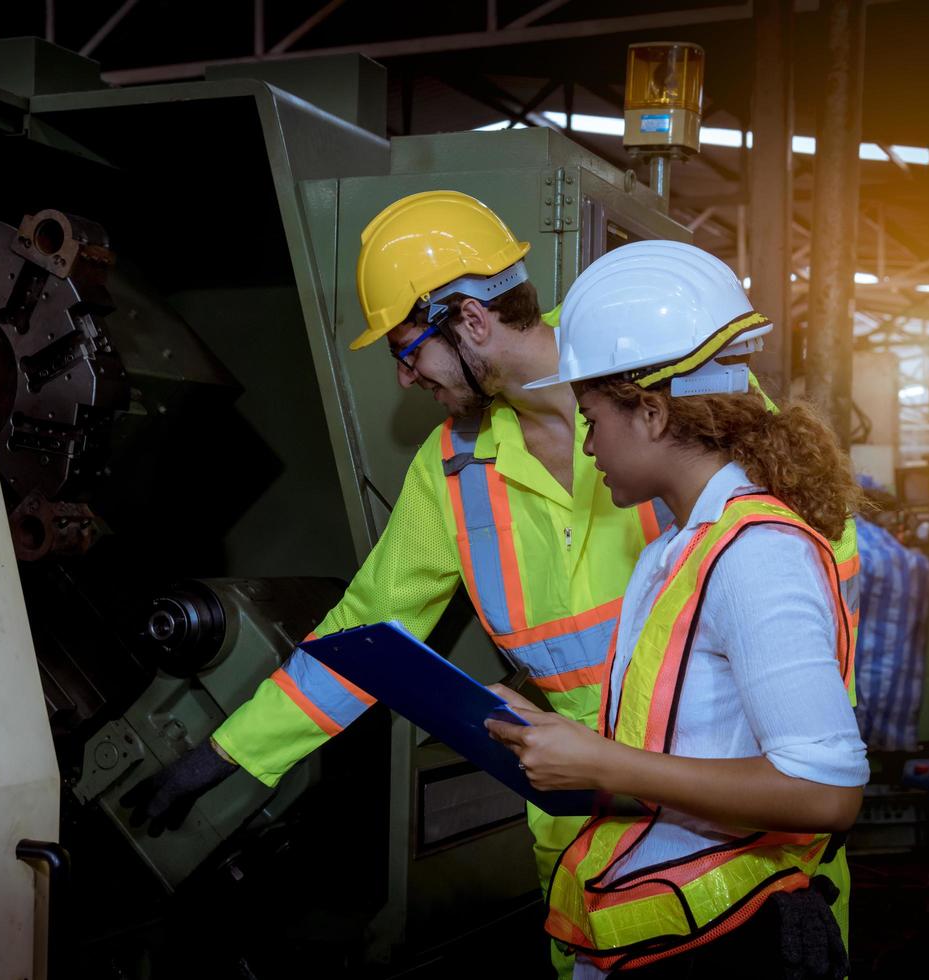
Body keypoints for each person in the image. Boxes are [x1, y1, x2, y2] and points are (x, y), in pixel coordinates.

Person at [121, 190, 666, 979]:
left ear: (472, 321)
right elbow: (367, 631)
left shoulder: (672, 405)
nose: (408, 378)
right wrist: (229, 753)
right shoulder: (453, 470)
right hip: (584, 825)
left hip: (714, 801)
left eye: (410, 350)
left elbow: (804, 581)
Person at [486, 240, 868, 979]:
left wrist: (602, 760)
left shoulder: (754, 550)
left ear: (653, 413)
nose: (587, 445)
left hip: (735, 942)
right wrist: (566, 741)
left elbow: (826, 793)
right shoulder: (681, 548)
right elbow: (700, 740)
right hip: (686, 934)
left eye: (593, 418)